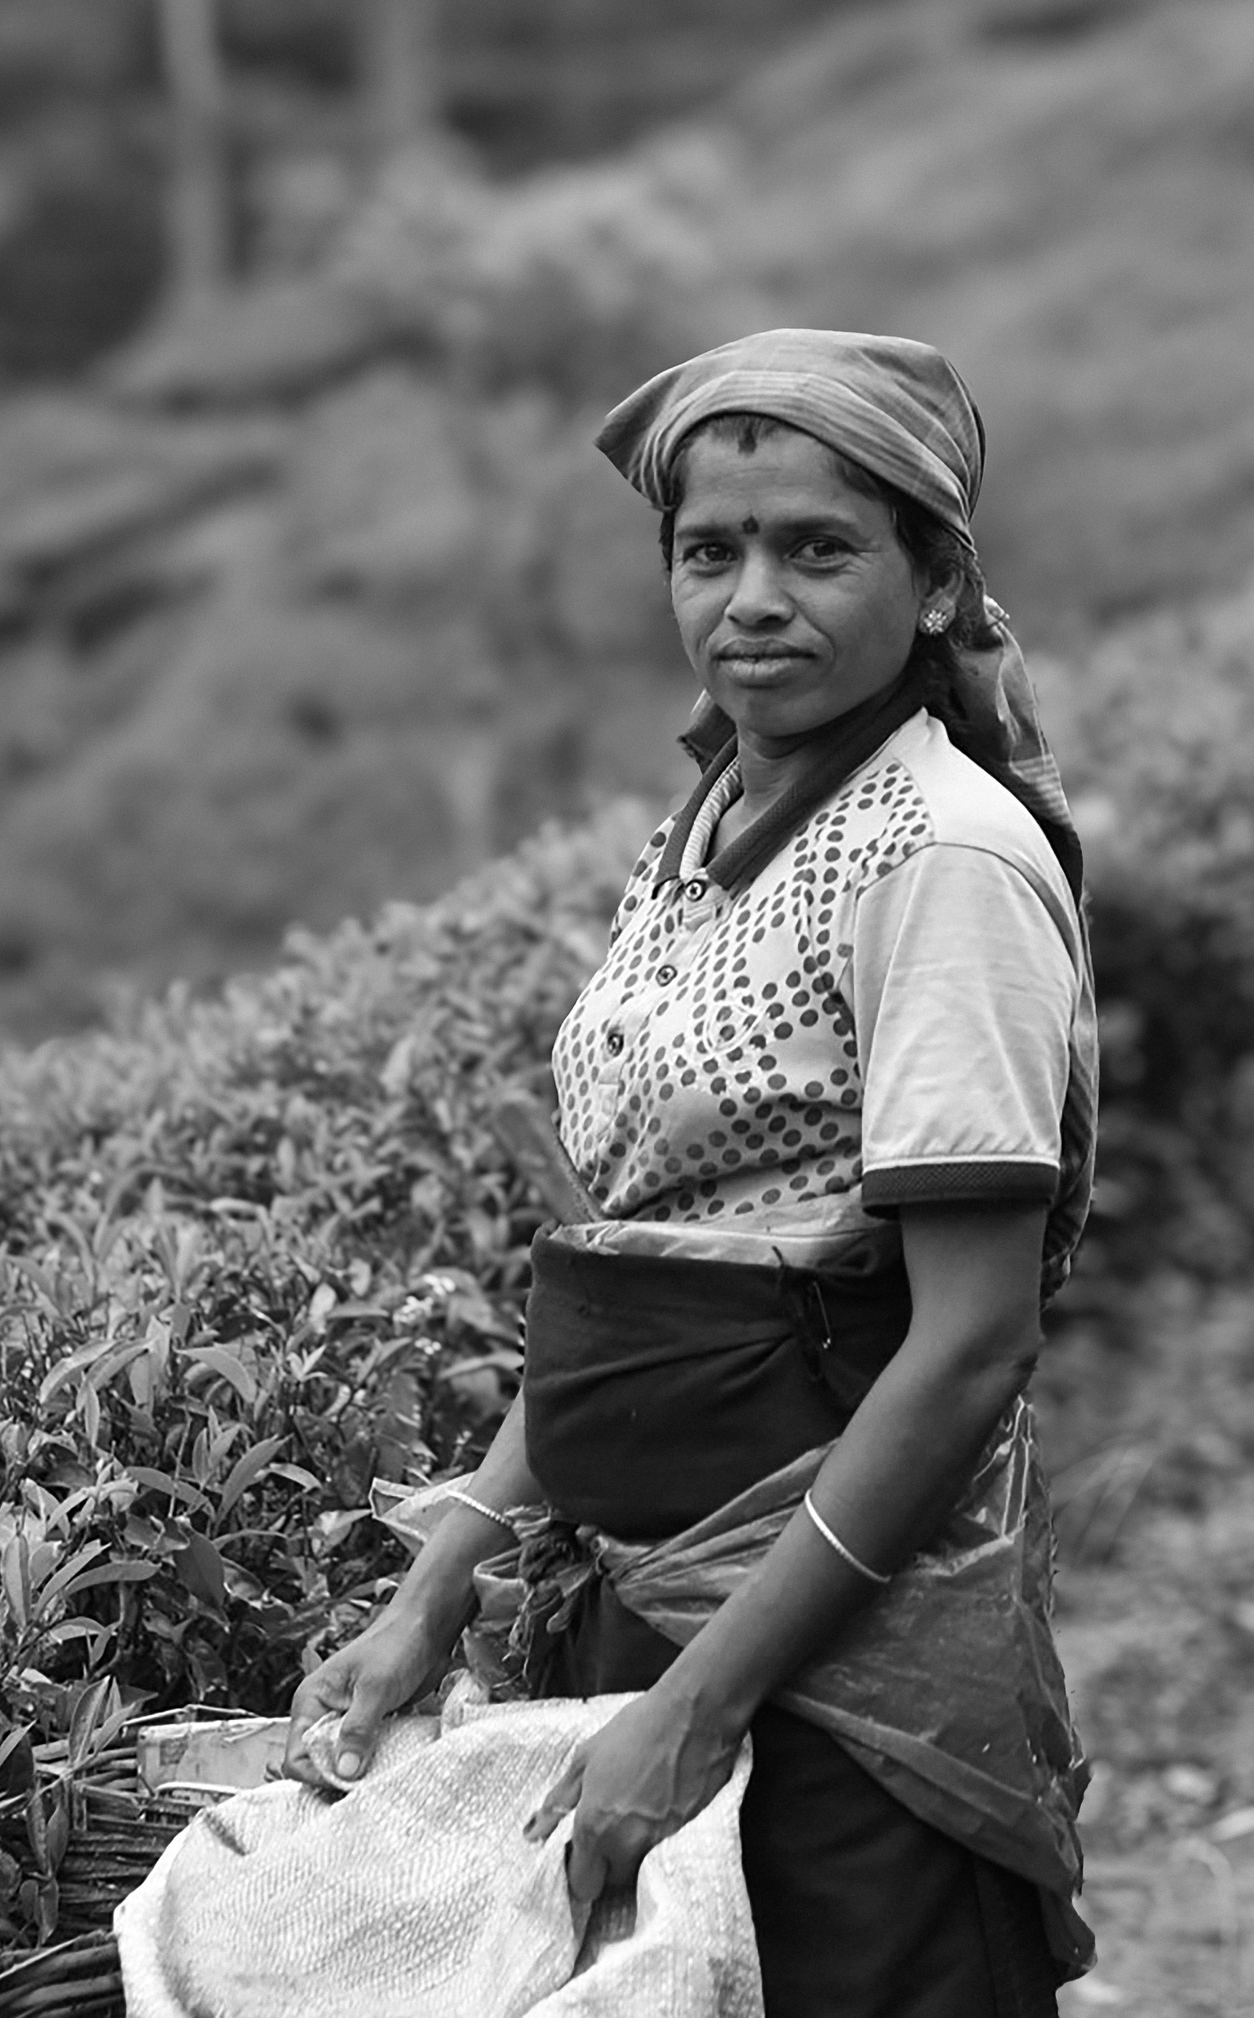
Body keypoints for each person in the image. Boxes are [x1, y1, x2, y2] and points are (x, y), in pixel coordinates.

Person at [288, 328, 1100, 2017]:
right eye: (709, 550)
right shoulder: (708, 829)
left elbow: (966, 1344)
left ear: (938, 581)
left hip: (837, 1651)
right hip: (648, 1622)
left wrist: (704, 1706)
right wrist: (442, 1576)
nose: (754, 598)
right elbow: (646, 1267)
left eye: (819, 548)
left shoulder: (940, 858)